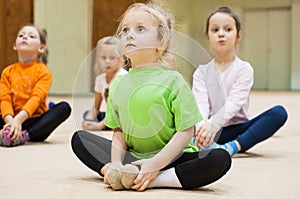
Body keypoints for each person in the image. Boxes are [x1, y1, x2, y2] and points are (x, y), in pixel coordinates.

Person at [71, 1, 231, 192]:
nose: (129, 34)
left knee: (219, 158)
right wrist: (115, 162)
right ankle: (117, 173)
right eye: (124, 30)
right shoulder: (119, 84)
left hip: (172, 158)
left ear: (161, 41)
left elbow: (186, 132)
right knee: (80, 139)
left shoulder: (174, 81)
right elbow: (119, 132)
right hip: (133, 157)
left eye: (140, 29)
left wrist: (156, 163)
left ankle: (156, 179)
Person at [192, 7, 288, 156]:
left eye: (228, 29)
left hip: (235, 129)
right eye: (215, 30)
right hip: (207, 129)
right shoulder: (201, 72)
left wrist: (213, 125)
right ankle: (201, 143)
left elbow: (234, 103)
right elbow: (200, 105)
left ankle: (231, 148)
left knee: (279, 113)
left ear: (238, 35)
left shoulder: (244, 69)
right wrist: (203, 128)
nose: (221, 34)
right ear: (208, 37)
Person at [0, 25, 71, 147]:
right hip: (9, 118)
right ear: (15, 45)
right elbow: (4, 98)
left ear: (41, 48)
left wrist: (18, 121)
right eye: (21, 35)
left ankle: (24, 136)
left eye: (31, 36)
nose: (25, 37)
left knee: (64, 108)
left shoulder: (43, 72)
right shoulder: (7, 71)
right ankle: (9, 132)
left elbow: (36, 99)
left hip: (34, 123)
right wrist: (11, 121)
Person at [82, 36, 127, 131]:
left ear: (121, 58)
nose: (107, 61)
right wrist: (88, 120)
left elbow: (121, 110)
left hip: (123, 114)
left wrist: (99, 126)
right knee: (87, 114)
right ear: (97, 59)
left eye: (112, 58)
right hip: (110, 115)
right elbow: (95, 108)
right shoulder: (100, 80)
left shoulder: (123, 78)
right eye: (103, 57)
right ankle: (108, 124)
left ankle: (109, 125)